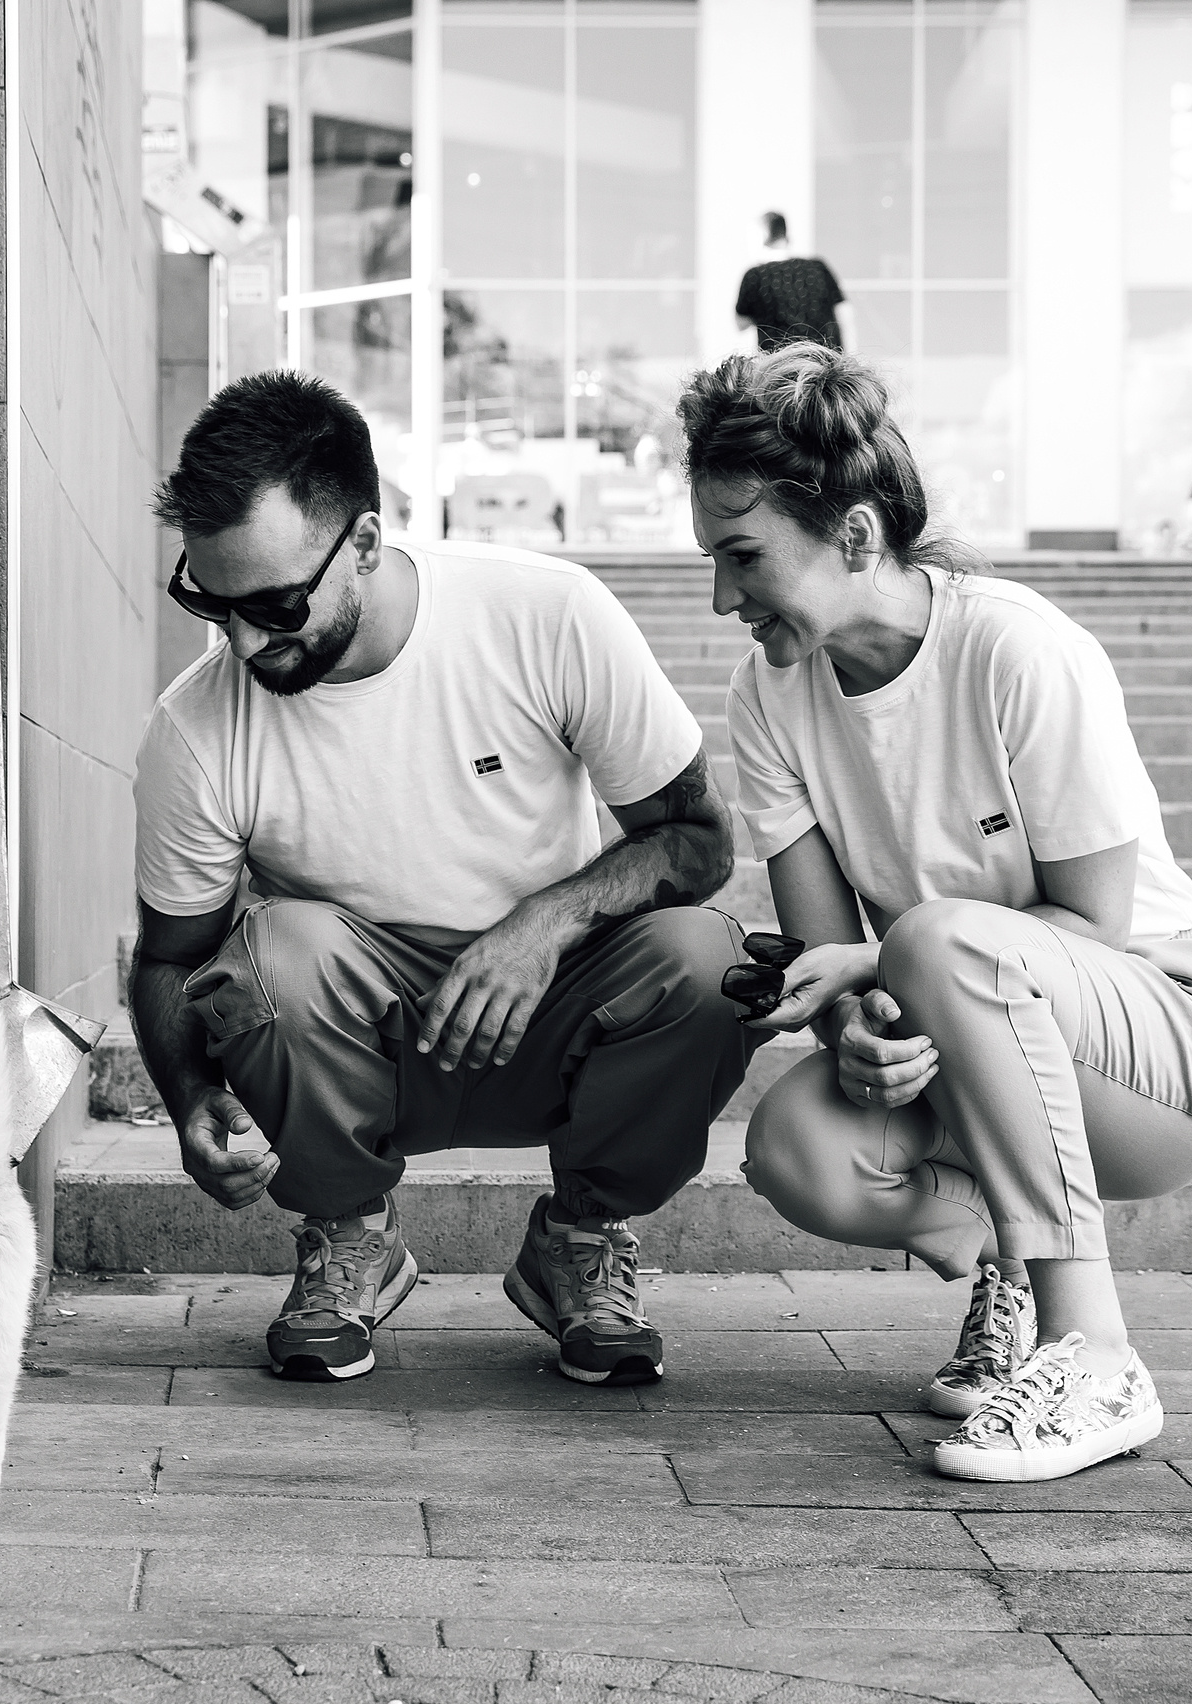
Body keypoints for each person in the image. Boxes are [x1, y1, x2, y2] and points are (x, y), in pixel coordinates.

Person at [681, 346, 1192, 1483]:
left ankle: (1094, 1351)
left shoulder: (1015, 648)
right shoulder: (768, 696)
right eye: (712, 558)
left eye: (743, 556)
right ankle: (1012, 1270)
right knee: (801, 1144)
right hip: (974, 1035)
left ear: (854, 536)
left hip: (1169, 1044)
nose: (723, 598)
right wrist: (858, 1029)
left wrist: (888, 957)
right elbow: (835, 966)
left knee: (935, 937)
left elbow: (1098, 925)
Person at [131, 370, 759, 1388]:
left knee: (709, 962)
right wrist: (191, 1098)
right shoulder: (196, 727)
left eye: (274, 604)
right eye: (211, 601)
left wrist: (545, 923)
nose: (242, 640)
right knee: (267, 959)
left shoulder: (544, 613)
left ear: (366, 544)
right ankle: (348, 1237)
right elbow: (169, 959)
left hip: (551, 1010)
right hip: (357, 1039)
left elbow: (697, 841)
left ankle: (579, 1238)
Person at [735, 211, 855, 355]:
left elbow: (741, 323)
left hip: (781, 369)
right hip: (826, 364)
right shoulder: (817, 267)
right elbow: (844, 312)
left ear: (763, 235)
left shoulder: (755, 276)